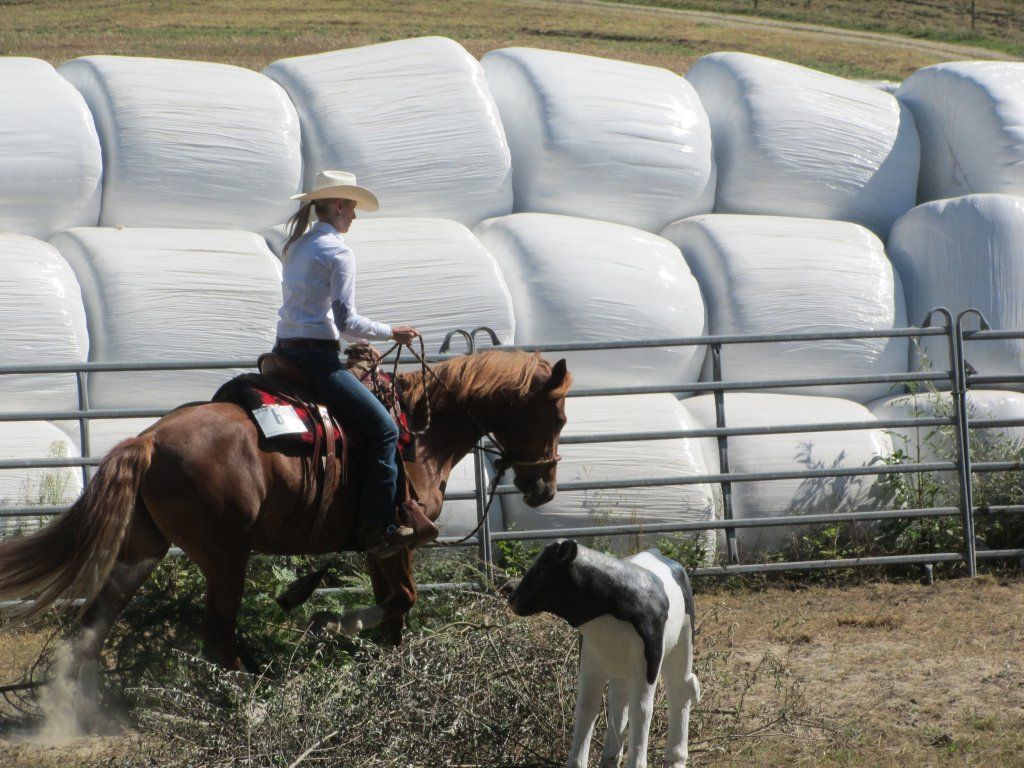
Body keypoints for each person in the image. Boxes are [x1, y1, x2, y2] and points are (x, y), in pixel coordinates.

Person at [274, 170, 419, 557]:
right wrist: (393, 332)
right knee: (385, 430)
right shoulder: (337, 252)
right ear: (338, 206)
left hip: (282, 351)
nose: (354, 215)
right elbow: (347, 323)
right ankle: (379, 527)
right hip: (316, 358)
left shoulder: (297, 246)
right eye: (352, 207)